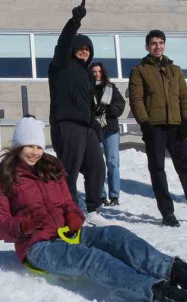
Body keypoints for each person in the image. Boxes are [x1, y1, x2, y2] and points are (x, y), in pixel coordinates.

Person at [0, 116, 187, 302]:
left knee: (117, 236)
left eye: (37, 146)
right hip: (37, 246)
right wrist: (22, 225)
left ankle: (184, 275)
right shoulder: (3, 177)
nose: (34, 152)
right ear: (18, 146)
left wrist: (73, 215)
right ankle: (169, 296)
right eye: (28, 146)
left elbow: (68, 202)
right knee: (93, 259)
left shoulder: (50, 168)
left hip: (67, 234)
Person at [129, 30, 187, 227]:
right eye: (153, 43)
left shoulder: (175, 70)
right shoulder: (139, 70)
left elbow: (183, 98)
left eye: (161, 42)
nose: (157, 46)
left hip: (176, 127)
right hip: (154, 127)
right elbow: (136, 99)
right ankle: (167, 213)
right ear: (147, 47)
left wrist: (186, 120)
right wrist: (144, 123)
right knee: (158, 170)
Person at [48, 0, 107, 224]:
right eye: (81, 48)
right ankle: (69, 212)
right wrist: (74, 22)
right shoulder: (61, 64)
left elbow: (90, 104)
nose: (84, 51)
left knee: (97, 167)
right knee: (69, 171)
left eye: (88, 49)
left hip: (86, 126)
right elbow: (62, 44)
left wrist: (96, 129)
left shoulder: (88, 75)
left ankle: (93, 210)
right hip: (66, 124)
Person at [90, 62, 126, 207]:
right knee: (98, 164)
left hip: (110, 129)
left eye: (99, 71)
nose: (97, 74)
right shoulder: (87, 89)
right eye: (93, 71)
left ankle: (114, 195)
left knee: (113, 162)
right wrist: (94, 111)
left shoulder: (111, 88)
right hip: (94, 129)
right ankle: (101, 195)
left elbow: (120, 104)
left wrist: (107, 109)